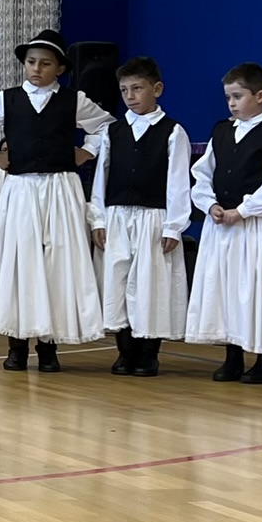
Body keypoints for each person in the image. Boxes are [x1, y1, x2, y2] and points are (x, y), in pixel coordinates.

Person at [0, 29, 112, 371]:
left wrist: (87, 151)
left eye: (45, 63)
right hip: (21, 187)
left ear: (59, 68)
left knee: (57, 262)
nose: (36, 69)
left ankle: (49, 346)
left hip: (61, 187)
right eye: (31, 62)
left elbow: (106, 127)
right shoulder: (7, 99)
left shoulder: (74, 100)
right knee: (21, 260)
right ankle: (17, 344)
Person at [187, 62, 262, 383]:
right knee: (226, 288)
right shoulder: (222, 131)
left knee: (259, 289)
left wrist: (243, 210)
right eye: (228, 98)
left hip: (257, 226)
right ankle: (233, 356)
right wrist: (210, 204)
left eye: (237, 96)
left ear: (260, 96)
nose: (232, 103)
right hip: (222, 226)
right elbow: (202, 173)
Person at [87, 57, 189, 379]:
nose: (130, 96)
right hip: (117, 216)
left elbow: (178, 182)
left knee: (150, 284)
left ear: (156, 89)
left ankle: (148, 353)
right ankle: (124, 351)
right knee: (116, 281)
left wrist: (174, 225)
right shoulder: (113, 132)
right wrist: (98, 219)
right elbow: (101, 178)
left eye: (137, 88)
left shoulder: (173, 131)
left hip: (154, 217)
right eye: (124, 90)